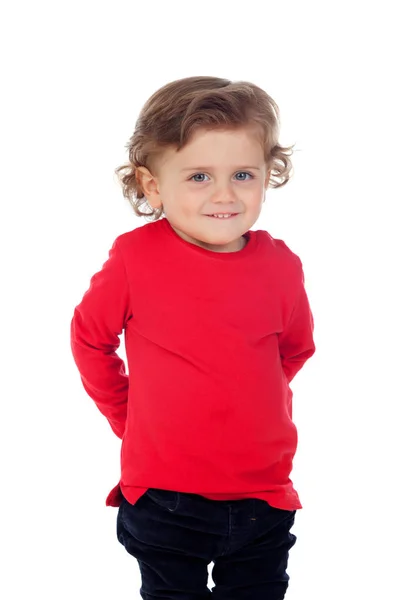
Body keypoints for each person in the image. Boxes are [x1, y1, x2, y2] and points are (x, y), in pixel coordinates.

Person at [70, 75, 316, 600]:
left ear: (268, 176)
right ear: (152, 184)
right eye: (200, 175)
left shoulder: (281, 265)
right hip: (165, 498)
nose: (225, 194)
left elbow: (292, 350)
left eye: (244, 174)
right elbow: (90, 339)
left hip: (264, 495)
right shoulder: (136, 259)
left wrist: (243, 398)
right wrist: (127, 413)